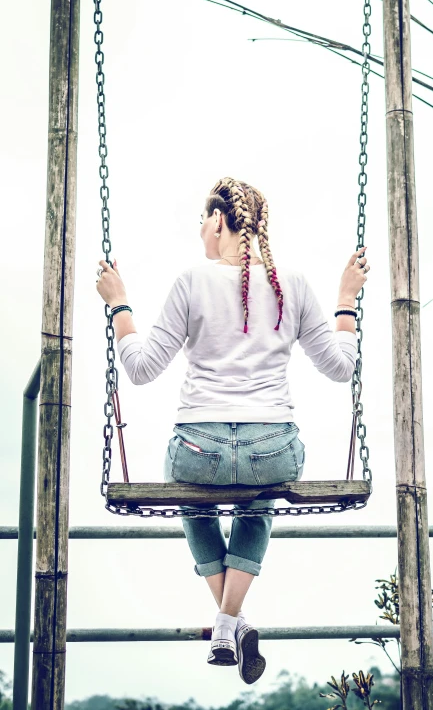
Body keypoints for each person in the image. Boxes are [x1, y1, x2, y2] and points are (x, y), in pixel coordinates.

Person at [95, 176, 370, 684]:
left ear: (219, 220)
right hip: (275, 447)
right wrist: (347, 300)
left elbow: (139, 369)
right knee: (257, 501)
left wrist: (120, 305)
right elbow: (339, 367)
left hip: (200, 448)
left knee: (193, 499)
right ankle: (229, 623)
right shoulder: (295, 283)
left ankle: (227, 622)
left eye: (203, 219)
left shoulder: (191, 281)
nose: (201, 230)